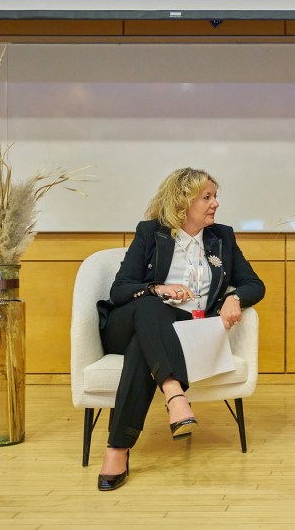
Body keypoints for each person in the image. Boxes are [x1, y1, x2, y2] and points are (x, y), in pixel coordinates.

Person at [96, 167, 265, 491]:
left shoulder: (222, 237)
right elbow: (120, 290)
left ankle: (117, 449)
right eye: (207, 197)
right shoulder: (151, 233)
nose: (215, 203)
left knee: (142, 350)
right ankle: (174, 392)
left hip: (182, 332)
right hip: (128, 322)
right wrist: (158, 289)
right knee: (149, 308)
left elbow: (254, 283)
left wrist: (235, 299)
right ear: (182, 202)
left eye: (215, 196)